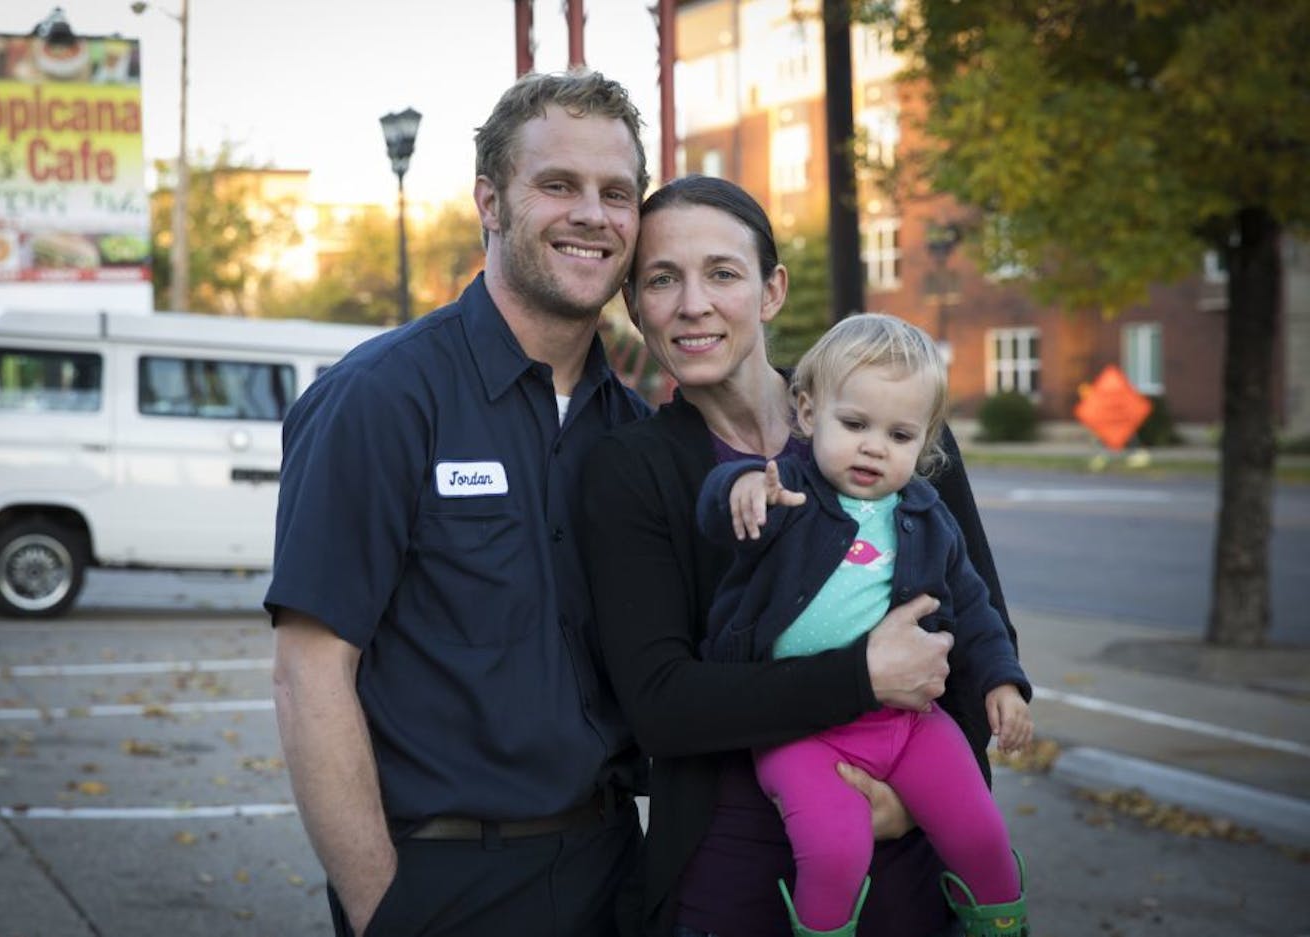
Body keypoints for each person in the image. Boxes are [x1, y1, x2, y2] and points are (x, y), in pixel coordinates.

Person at [578, 175, 1020, 937]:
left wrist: (915, 799)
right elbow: (663, 705)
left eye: (722, 272)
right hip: (731, 885)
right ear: (634, 307)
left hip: (909, 881)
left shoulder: (896, 430)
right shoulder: (632, 470)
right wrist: (862, 677)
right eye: (661, 279)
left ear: (771, 289)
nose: (692, 304)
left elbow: (975, 640)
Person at [267, 70, 652, 937]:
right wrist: (383, 908)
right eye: (558, 185)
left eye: (616, 193)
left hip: (613, 873)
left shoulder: (632, 432)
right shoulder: (382, 398)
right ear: (491, 200)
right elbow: (310, 672)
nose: (592, 214)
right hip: (443, 884)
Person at [697, 313, 1033, 936]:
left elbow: (977, 611)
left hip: (907, 725)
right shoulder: (788, 495)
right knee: (835, 851)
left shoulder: (930, 520)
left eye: (900, 435)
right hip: (799, 730)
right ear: (807, 413)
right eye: (855, 425)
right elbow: (719, 515)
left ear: (925, 444)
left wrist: (1002, 684)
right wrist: (739, 487)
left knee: (982, 834)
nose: (874, 446)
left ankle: (1002, 926)